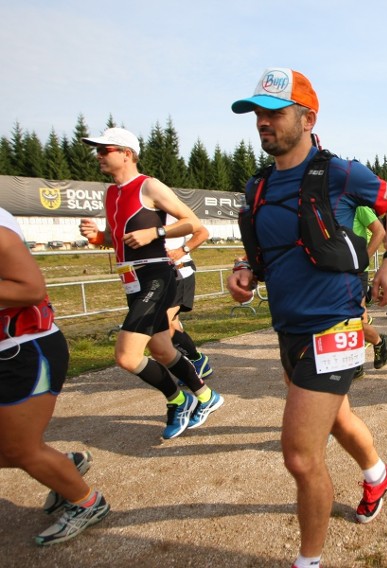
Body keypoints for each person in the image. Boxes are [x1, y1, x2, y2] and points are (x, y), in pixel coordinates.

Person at [228, 67, 387, 568]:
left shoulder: (341, 173)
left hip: (335, 326)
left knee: (301, 456)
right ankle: (378, 475)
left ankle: (309, 561)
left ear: (307, 118)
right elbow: (265, 250)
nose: (263, 123)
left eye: (274, 113)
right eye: (257, 114)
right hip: (289, 327)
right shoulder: (258, 184)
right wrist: (244, 271)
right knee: (339, 416)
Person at [78, 128, 223, 440]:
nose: (99, 155)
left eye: (106, 150)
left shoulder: (149, 186)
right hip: (132, 280)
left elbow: (194, 224)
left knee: (127, 356)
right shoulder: (111, 193)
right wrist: (97, 238)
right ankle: (206, 395)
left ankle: (178, 399)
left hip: (157, 277)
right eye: (98, 150)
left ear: (127, 154)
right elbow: (117, 240)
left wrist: (156, 234)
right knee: (161, 350)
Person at [0, 206, 110, 546]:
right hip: (14, 349)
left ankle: (88, 503)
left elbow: (32, 288)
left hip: (24, 350)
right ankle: (65, 465)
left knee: (19, 449)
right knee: (12, 449)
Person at [164, 215, 213, 379]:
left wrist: (182, 250)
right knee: (172, 324)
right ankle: (193, 363)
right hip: (161, 276)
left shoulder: (170, 210)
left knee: (162, 323)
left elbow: (203, 232)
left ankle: (196, 360)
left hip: (180, 272)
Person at [352, 206, 387, 377]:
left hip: (355, 271)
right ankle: (356, 362)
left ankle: (378, 341)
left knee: (354, 319)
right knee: (343, 320)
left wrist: (362, 260)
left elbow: (379, 231)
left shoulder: (359, 207)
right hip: (333, 270)